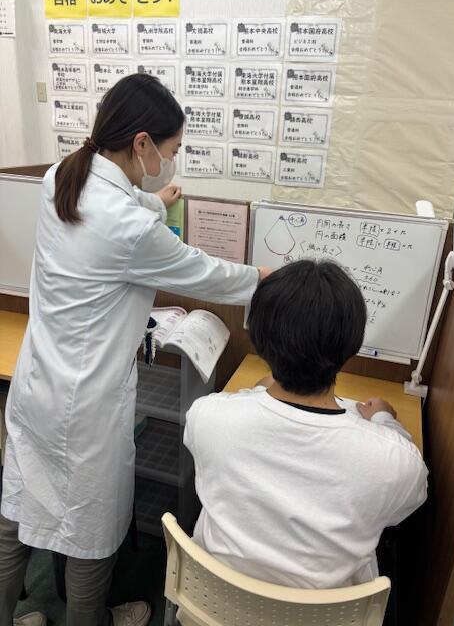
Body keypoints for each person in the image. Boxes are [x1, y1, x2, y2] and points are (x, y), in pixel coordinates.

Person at [0, 74, 270, 626]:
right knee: (89, 533)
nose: (173, 161)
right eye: (172, 149)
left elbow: (119, 210)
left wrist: (155, 200)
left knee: (16, 518)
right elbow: (206, 274)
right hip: (87, 407)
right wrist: (264, 278)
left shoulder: (62, 176)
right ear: (142, 143)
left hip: (36, 386)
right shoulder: (129, 228)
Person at [184, 259, 428, 589]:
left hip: (213, 602)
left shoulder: (207, 416)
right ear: (351, 344)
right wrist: (385, 420)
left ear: (258, 338)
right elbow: (403, 509)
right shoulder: (395, 461)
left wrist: (257, 392)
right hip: (325, 611)